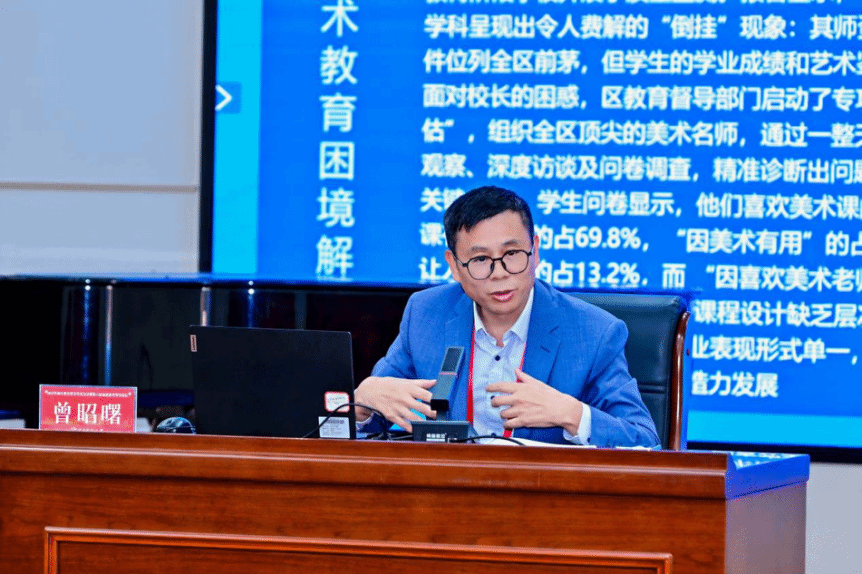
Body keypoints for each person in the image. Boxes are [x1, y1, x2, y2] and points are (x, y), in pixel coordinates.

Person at [354, 185, 659, 447]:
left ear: (535, 250)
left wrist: (572, 414)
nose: (499, 273)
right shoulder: (426, 314)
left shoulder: (594, 332)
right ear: (454, 265)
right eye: (480, 259)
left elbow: (644, 440)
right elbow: (368, 417)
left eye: (512, 254)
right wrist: (363, 402)